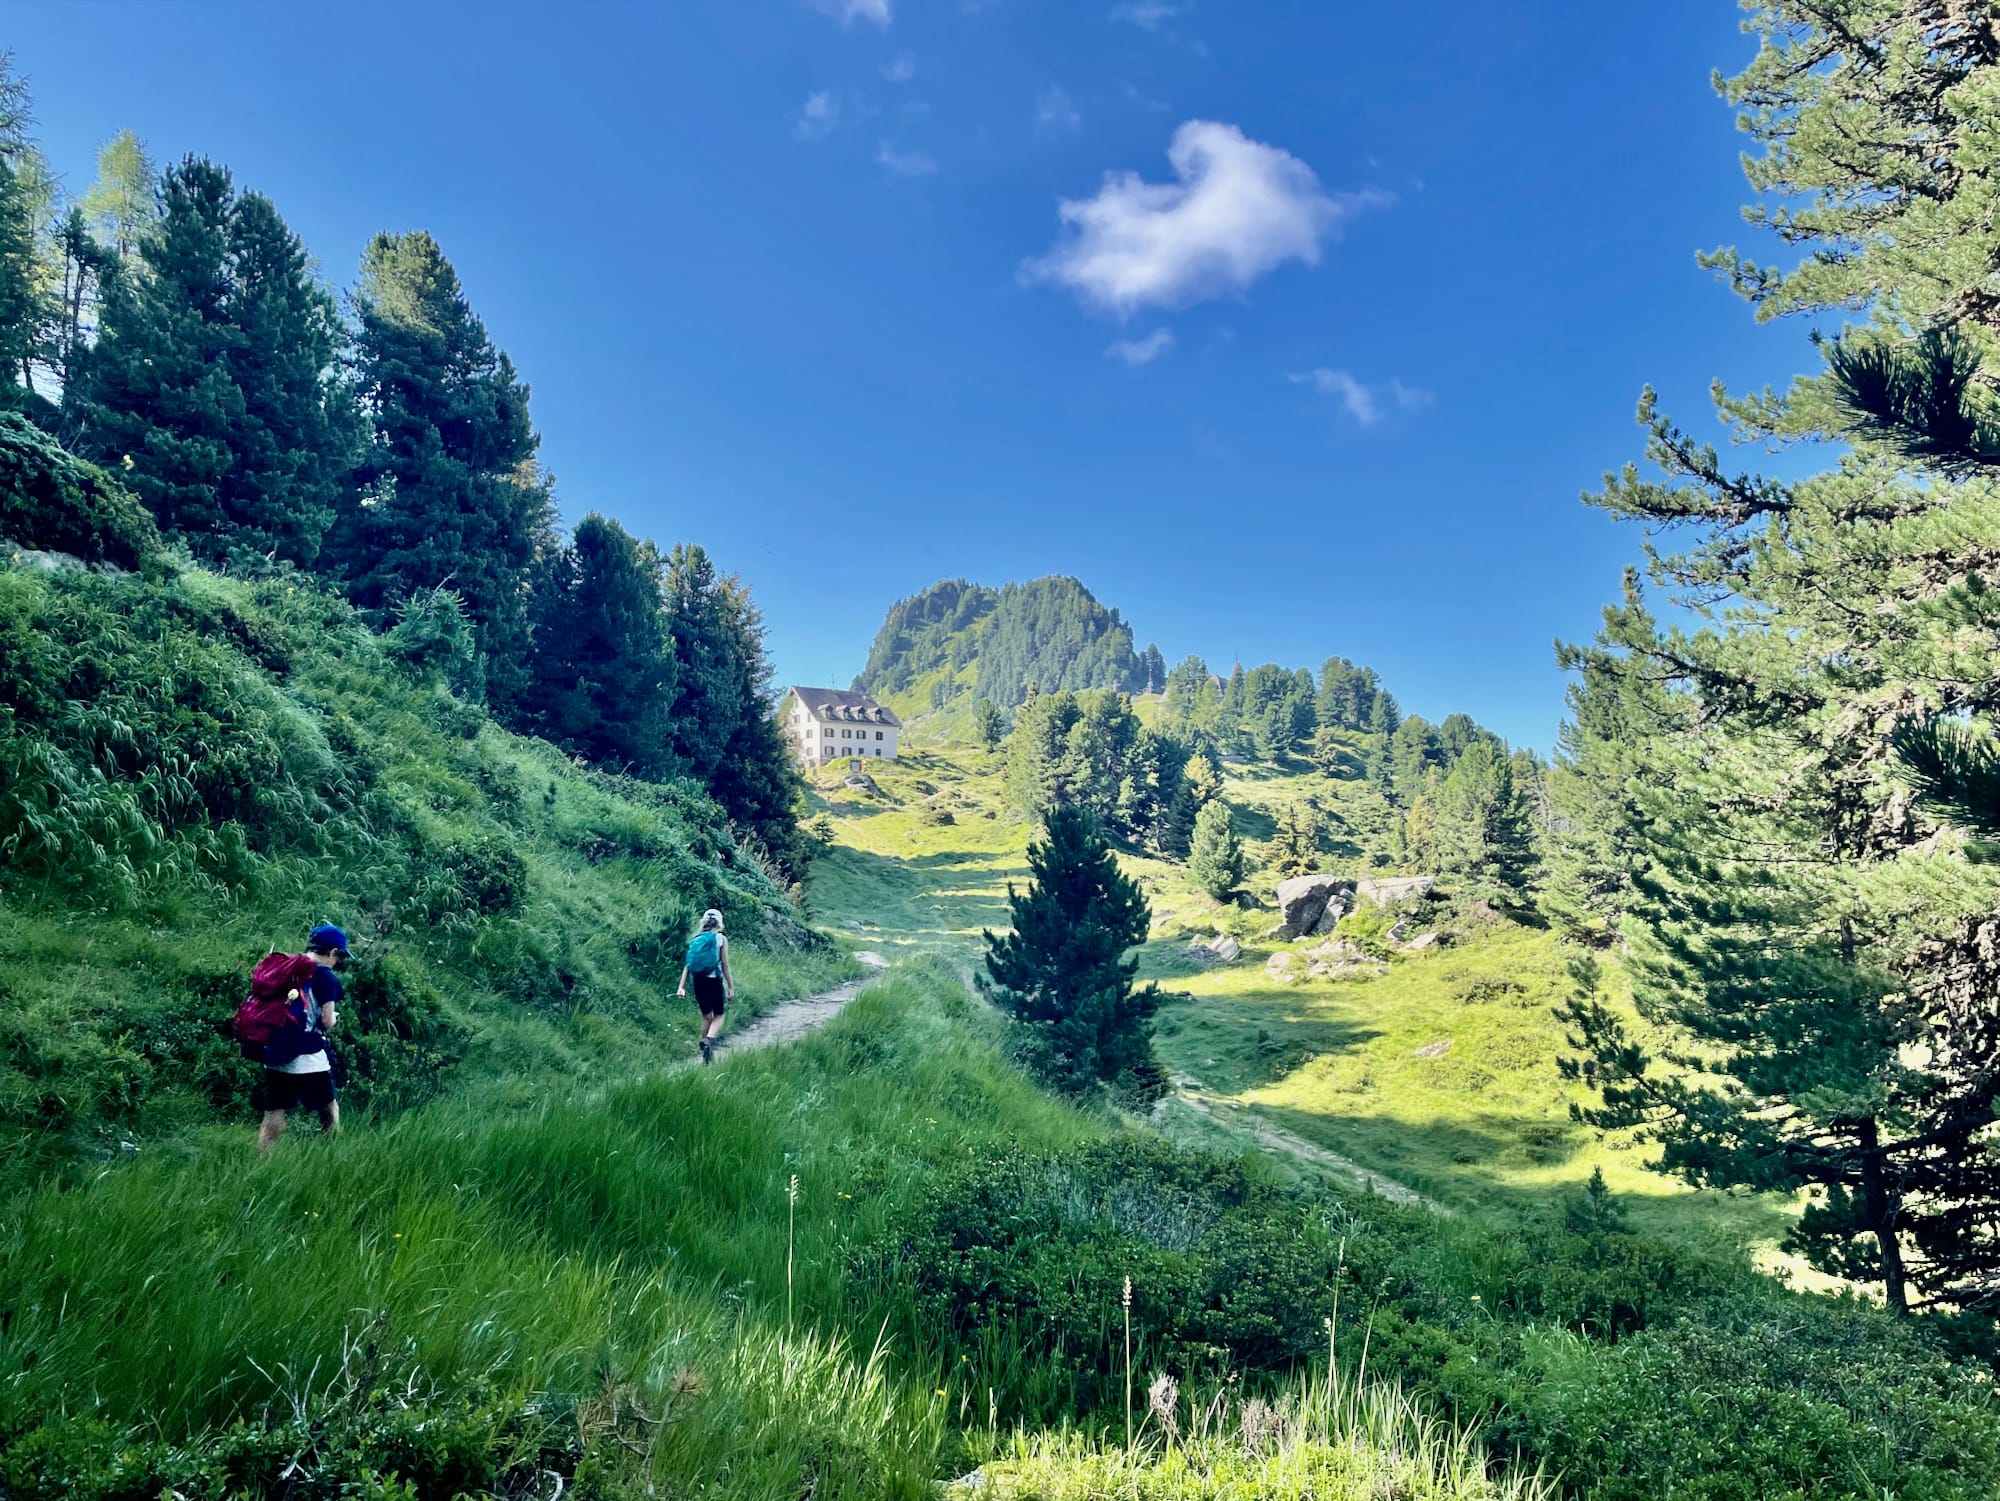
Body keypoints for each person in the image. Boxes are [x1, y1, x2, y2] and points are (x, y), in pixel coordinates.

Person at [257, 922, 348, 1155]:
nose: (338, 962)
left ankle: (261, 1159)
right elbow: (327, 1021)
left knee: (275, 1110)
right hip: (309, 1056)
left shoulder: (288, 967)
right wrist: (333, 1019)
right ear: (332, 952)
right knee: (329, 1108)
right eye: (339, 957)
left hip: (278, 1049)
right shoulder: (326, 977)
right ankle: (335, 1155)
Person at [676, 909, 733, 1063]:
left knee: (707, 1017)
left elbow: (688, 965)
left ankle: (705, 1054)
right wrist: (730, 987)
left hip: (698, 981)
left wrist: (681, 987)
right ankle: (708, 1040)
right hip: (714, 980)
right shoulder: (721, 939)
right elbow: (725, 965)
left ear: (703, 921)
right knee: (719, 1015)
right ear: (719, 923)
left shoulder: (696, 938)